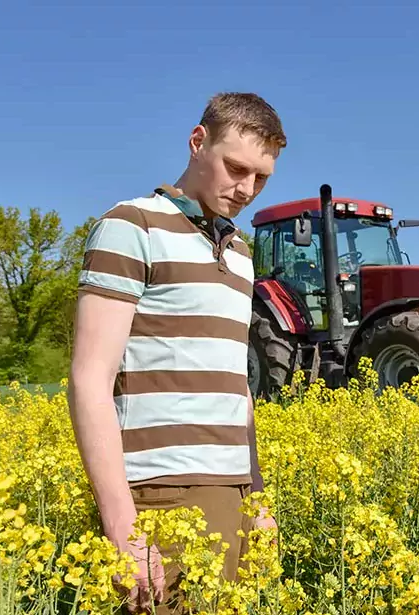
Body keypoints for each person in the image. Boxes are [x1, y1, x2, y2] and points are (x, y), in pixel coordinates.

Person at [67, 92, 287, 614]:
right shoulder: (131, 226)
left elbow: (236, 388)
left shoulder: (239, 254)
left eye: (262, 178)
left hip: (231, 492)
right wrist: (122, 524)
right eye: (236, 168)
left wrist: (255, 498)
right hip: (161, 493)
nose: (247, 189)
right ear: (196, 142)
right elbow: (88, 380)